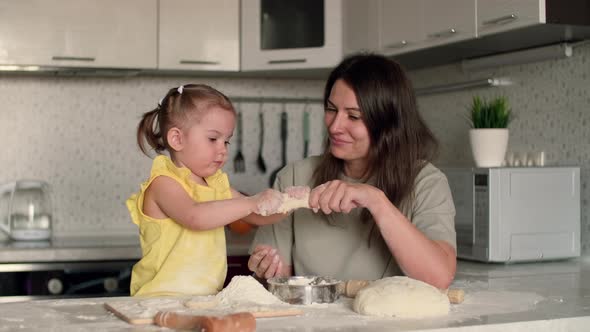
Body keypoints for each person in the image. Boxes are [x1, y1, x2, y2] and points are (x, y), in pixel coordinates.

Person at [248, 54, 457, 289]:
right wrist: (266, 271)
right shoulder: (295, 177)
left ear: (389, 122)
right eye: (331, 109)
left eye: (354, 116)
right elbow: (277, 282)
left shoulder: (426, 183)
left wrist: (376, 200)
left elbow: (439, 277)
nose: (335, 126)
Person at [127, 84, 288, 297]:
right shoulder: (163, 183)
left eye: (227, 141)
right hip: (158, 300)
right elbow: (195, 216)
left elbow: (257, 215)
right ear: (177, 139)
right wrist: (253, 201)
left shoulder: (215, 184)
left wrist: (294, 201)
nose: (223, 149)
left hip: (203, 301)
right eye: (213, 139)